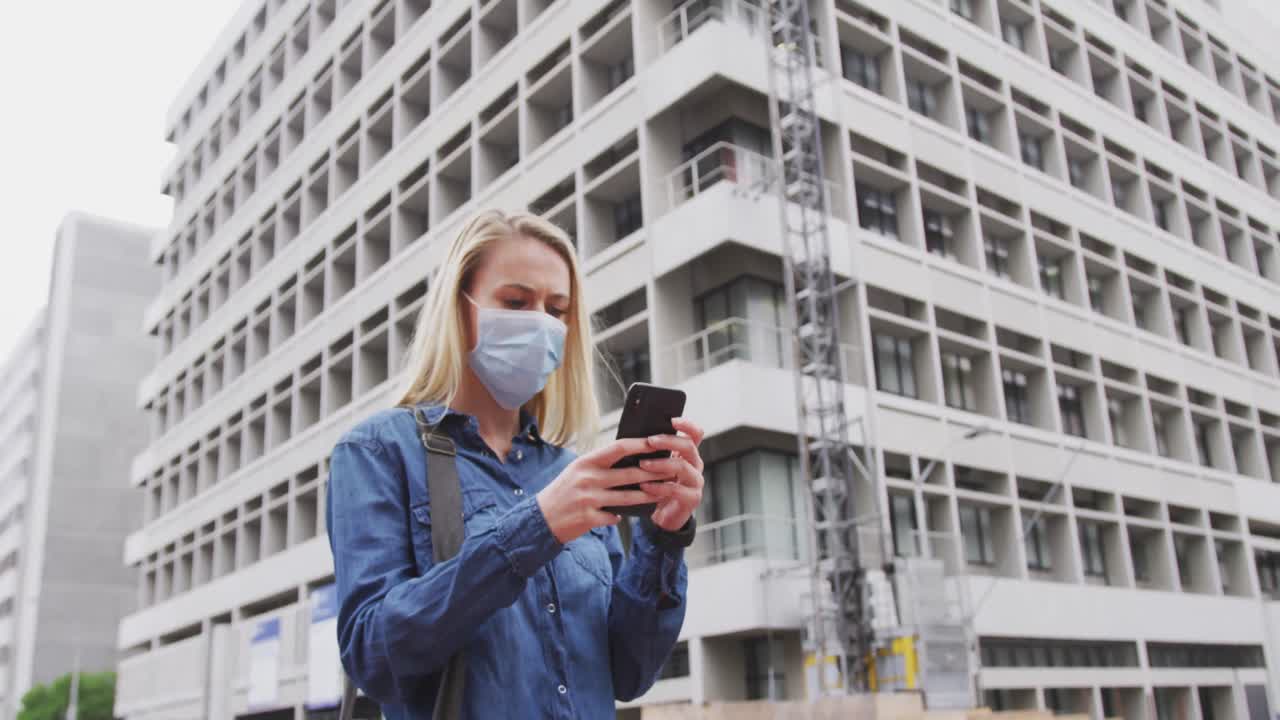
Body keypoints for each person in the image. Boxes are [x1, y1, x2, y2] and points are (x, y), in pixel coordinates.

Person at [325, 208, 705, 719]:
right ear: (460, 308)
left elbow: (630, 671)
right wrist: (534, 528)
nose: (540, 324)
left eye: (557, 309)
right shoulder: (377, 452)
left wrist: (663, 537)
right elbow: (372, 654)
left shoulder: (573, 475)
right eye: (515, 301)